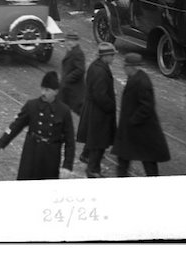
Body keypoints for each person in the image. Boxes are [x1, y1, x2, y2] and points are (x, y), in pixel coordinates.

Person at [0, 71, 75, 180]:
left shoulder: (64, 111)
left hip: (50, 157)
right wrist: (0, 143)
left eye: (47, 90)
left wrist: (67, 166)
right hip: (32, 153)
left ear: (56, 91)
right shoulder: (32, 106)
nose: (43, 92)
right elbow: (16, 126)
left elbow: (70, 141)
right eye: (42, 88)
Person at [112, 53, 171, 177]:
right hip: (135, 130)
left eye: (125, 66)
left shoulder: (142, 82)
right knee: (126, 157)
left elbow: (147, 106)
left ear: (132, 67)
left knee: (146, 159)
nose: (123, 68)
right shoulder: (136, 78)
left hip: (141, 129)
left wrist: (133, 120)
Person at [76, 41, 118, 177]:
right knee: (100, 142)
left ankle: (85, 155)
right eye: (112, 55)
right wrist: (110, 106)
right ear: (105, 56)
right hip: (99, 112)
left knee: (93, 136)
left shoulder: (96, 66)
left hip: (93, 109)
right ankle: (93, 170)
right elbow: (100, 94)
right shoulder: (101, 71)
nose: (113, 58)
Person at [57, 33, 85, 116]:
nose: (69, 42)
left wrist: (67, 79)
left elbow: (80, 69)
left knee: (79, 110)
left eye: (72, 41)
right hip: (67, 87)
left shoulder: (77, 53)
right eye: (68, 40)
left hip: (73, 88)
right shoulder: (71, 50)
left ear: (77, 42)